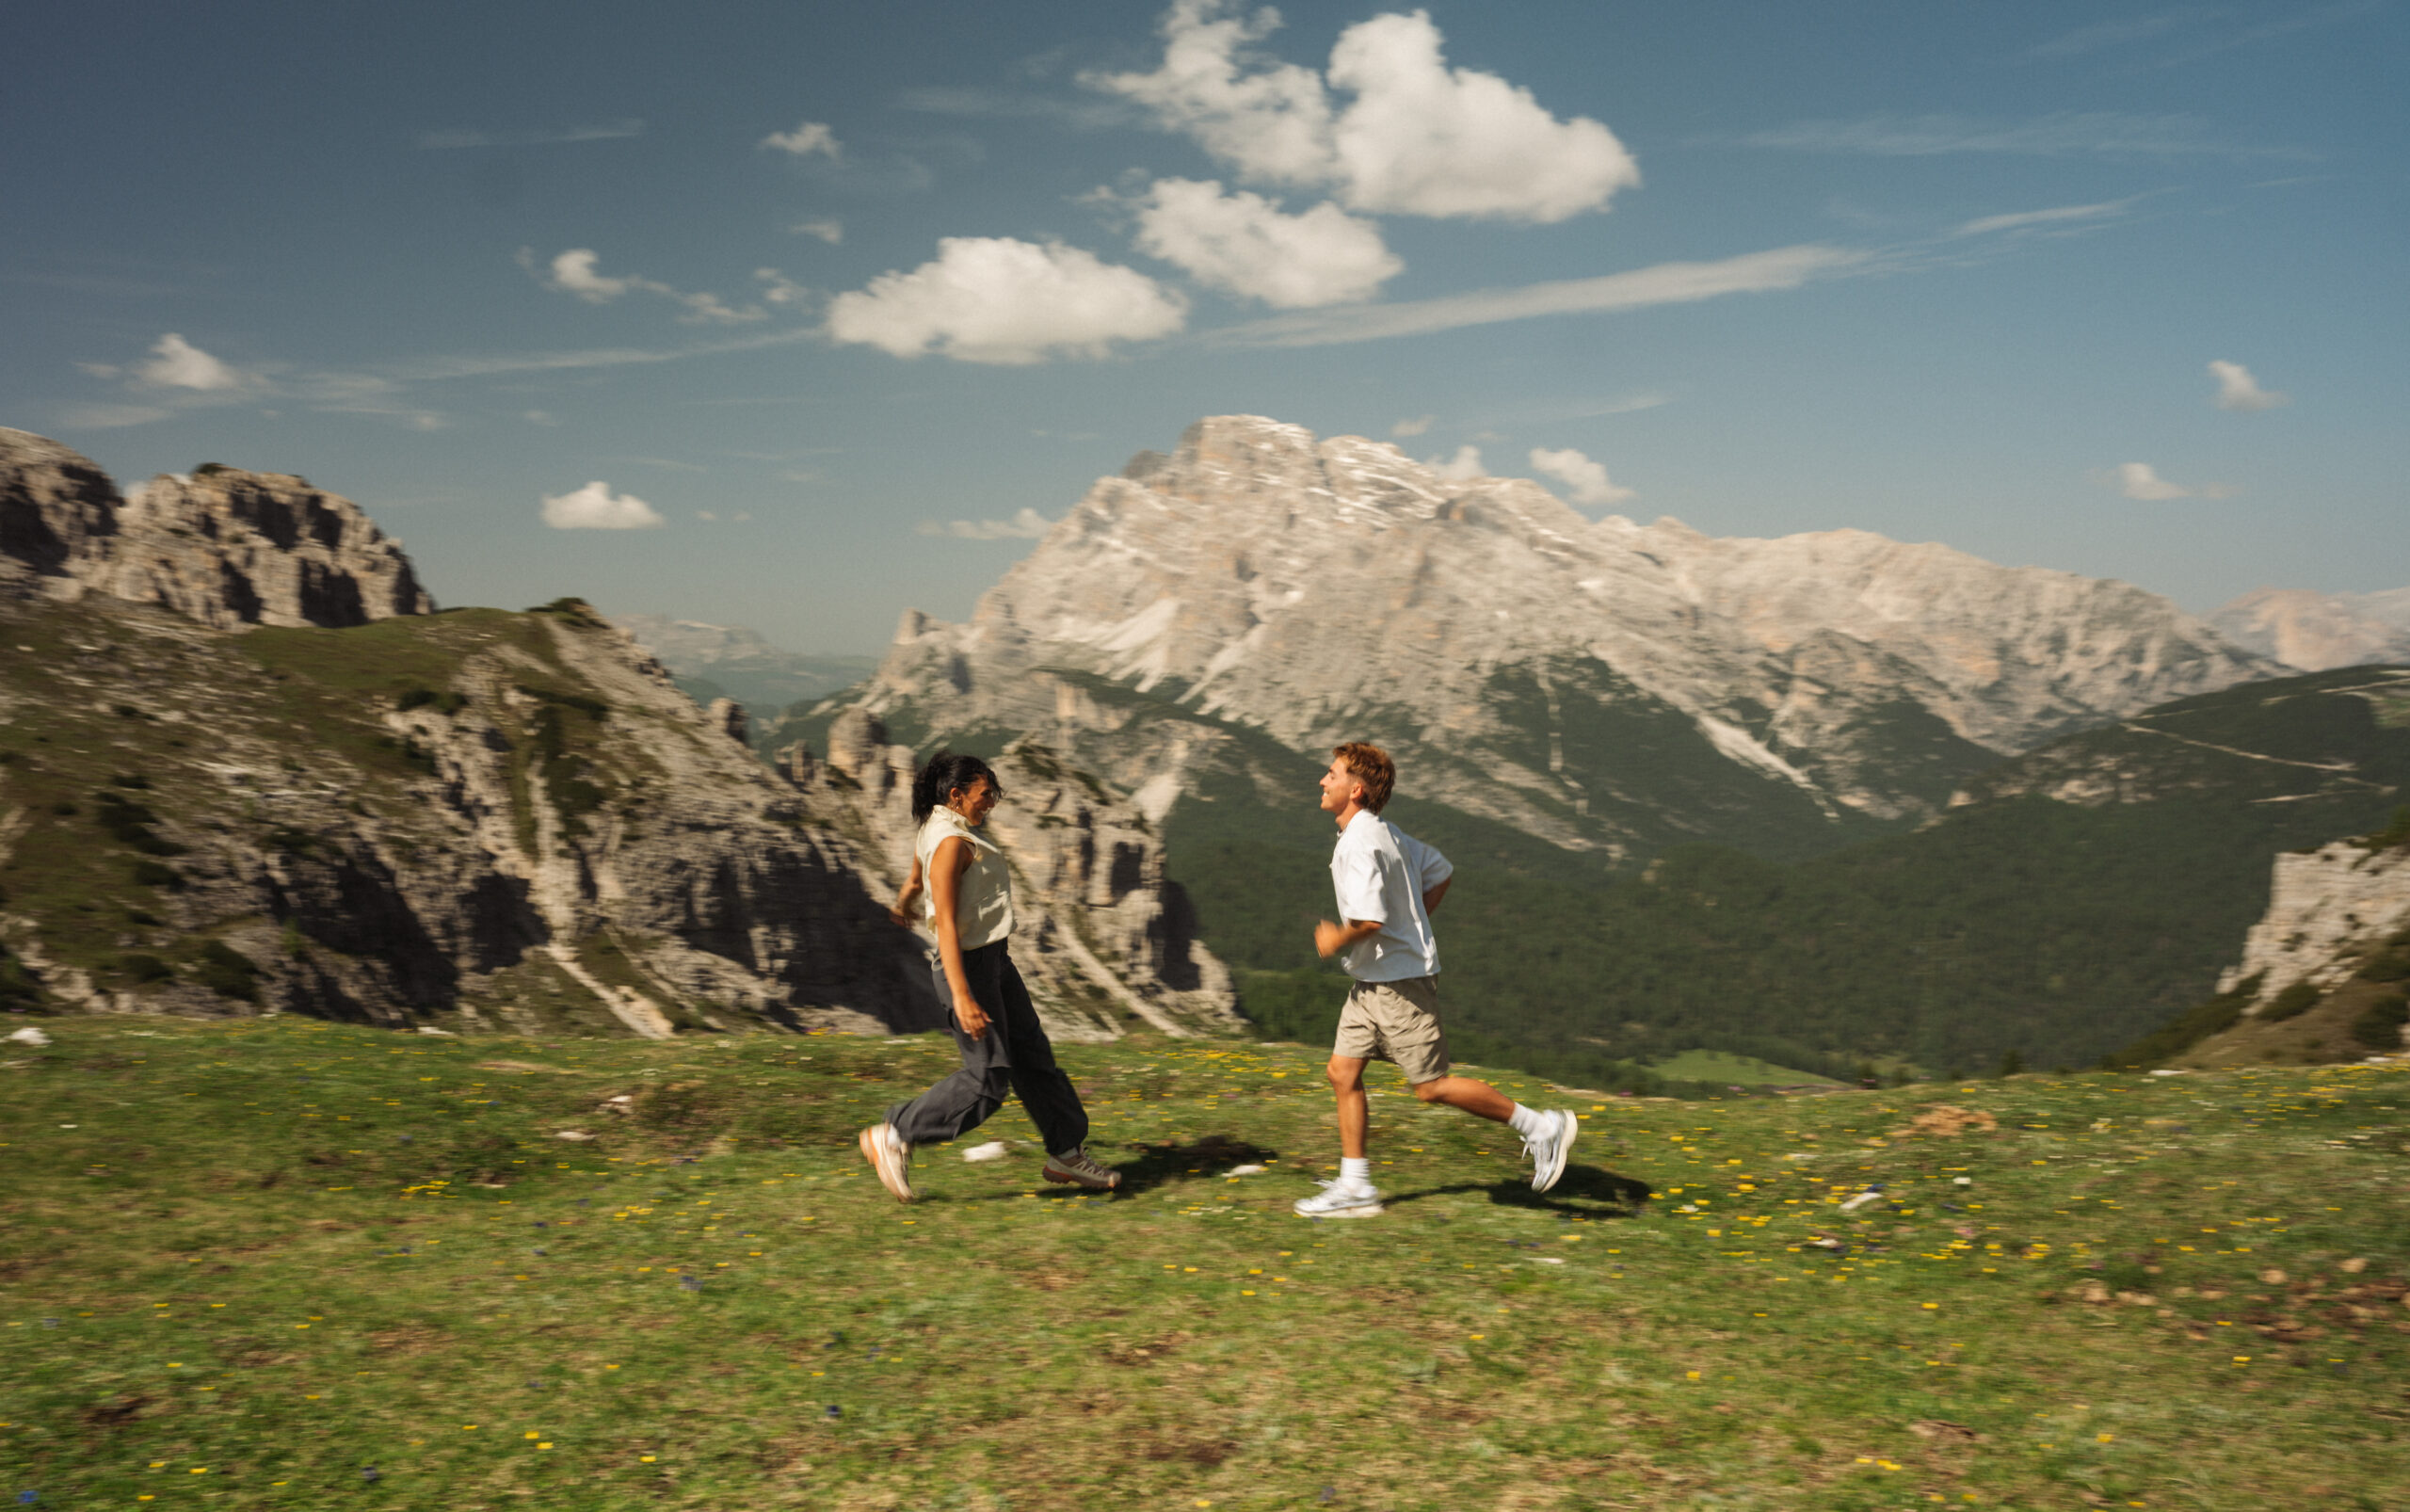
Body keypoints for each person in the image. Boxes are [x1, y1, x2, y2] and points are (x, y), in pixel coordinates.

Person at [1293, 742, 1579, 1218]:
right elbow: (1441, 870)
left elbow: (1369, 920)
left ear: (1356, 789)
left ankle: (1540, 1127)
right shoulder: (1386, 832)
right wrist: (1416, 920)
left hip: (1398, 983)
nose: (1323, 782)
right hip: (1375, 981)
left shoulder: (1363, 842)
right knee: (1341, 1073)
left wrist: (1333, 939)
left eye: (1331, 774)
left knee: (1431, 1086)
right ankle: (1355, 1186)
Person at [857, 750, 1120, 1202]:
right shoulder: (952, 843)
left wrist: (903, 904)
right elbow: (949, 930)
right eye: (984, 794)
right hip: (969, 967)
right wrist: (962, 996)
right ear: (956, 796)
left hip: (995, 962)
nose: (992, 802)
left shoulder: (938, 828)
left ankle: (1066, 1152)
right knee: (987, 1081)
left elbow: (916, 880)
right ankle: (895, 1132)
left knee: (1033, 1056)